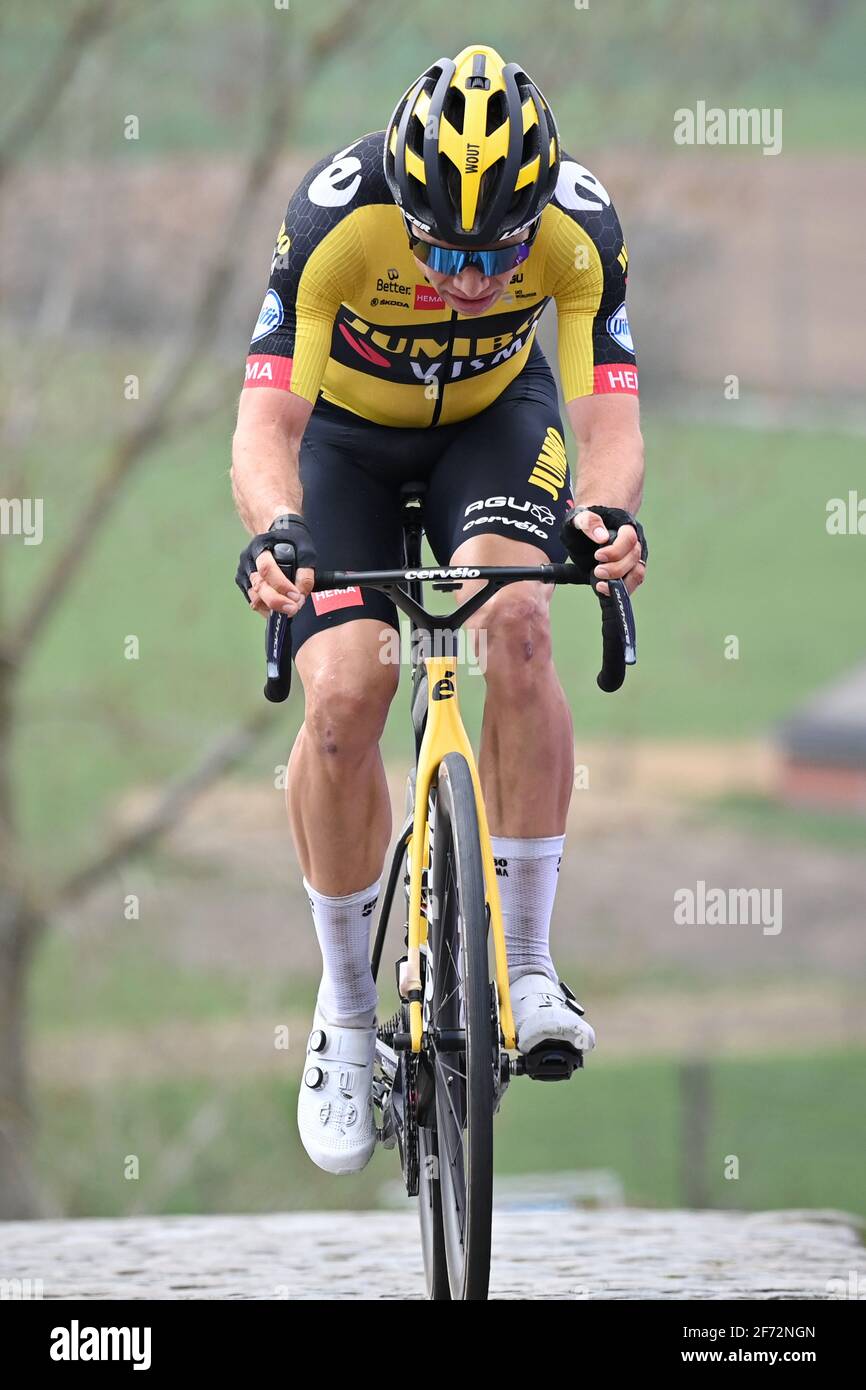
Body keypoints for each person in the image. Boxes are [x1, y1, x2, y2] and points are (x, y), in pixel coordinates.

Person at [232, 45, 646, 1175]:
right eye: (444, 248)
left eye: (494, 252)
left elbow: (607, 419)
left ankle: (523, 963)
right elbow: (266, 426)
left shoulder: (579, 228)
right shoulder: (336, 216)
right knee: (346, 694)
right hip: (346, 446)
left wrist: (607, 520)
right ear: (402, 207)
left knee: (514, 618)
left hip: (489, 426)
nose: (469, 277)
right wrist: (277, 529)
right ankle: (350, 1015)